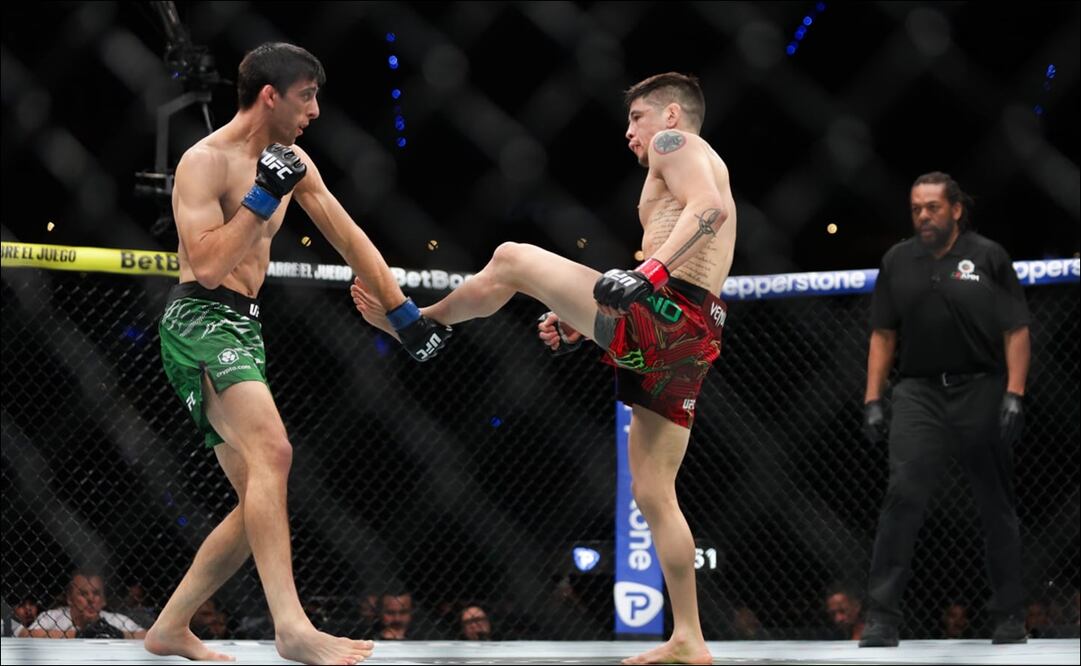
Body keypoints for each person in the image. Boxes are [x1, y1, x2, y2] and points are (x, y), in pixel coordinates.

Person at [352, 72, 733, 665]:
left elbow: (707, 212)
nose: (630, 133)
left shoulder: (674, 146)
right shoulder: (693, 162)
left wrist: (645, 276)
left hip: (668, 309)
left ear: (672, 116)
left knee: (512, 258)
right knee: (655, 491)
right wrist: (596, 313)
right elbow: (688, 235)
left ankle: (421, 324)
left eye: (637, 118)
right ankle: (689, 636)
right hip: (691, 330)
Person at [146, 42, 450, 665]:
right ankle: (292, 627)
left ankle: (170, 628)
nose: (314, 111)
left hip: (247, 327)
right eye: (307, 96)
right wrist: (259, 199)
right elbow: (205, 267)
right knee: (274, 453)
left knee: (257, 492)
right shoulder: (203, 163)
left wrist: (402, 313)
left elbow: (347, 234)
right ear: (270, 95)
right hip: (200, 318)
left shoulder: (294, 161)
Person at [858, 172, 1030, 647]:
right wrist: (873, 397)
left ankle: (1010, 615)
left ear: (955, 209)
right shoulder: (898, 260)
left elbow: (1016, 329)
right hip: (917, 393)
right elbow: (883, 334)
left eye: (932, 207)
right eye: (916, 208)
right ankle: (881, 617)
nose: (923, 216)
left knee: (994, 502)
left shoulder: (988, 256)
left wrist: (1015, 393)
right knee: (902, 496)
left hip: (982, 386)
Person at [20, 570, 145, 639]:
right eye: (83, 594)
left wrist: (120, 634)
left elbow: (147, 636)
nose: (91, 599)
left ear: (104, 600)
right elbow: (25, 635)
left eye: (96, 593)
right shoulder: (53, 617)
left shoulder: (116, 620)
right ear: (69, 598)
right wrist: (78, 635)